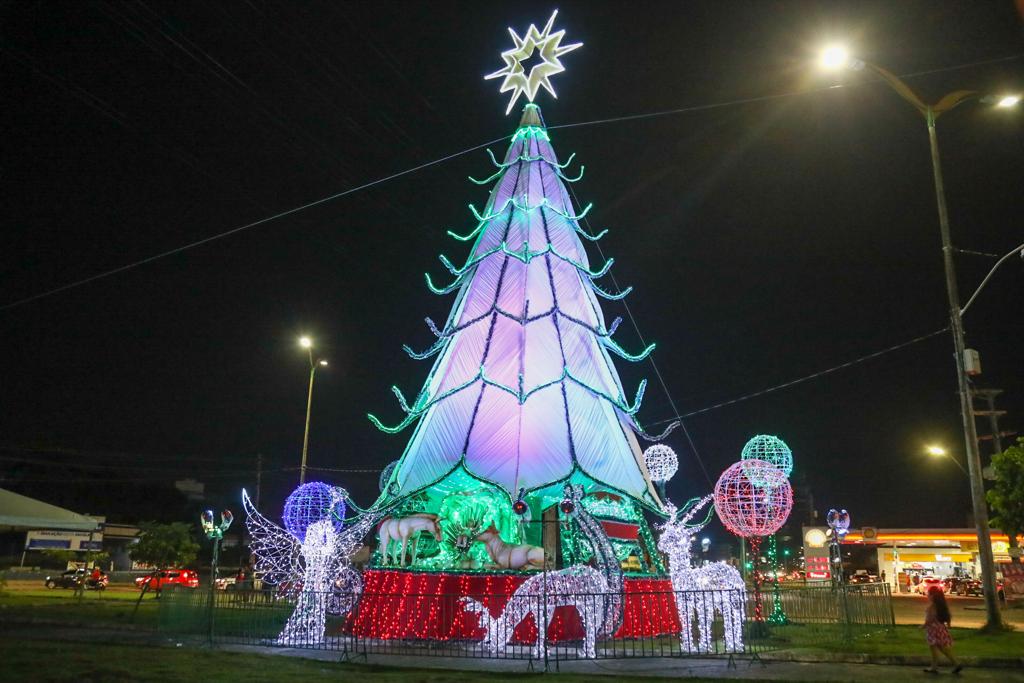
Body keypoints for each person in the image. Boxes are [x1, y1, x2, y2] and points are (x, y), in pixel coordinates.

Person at [923, 585, 961, 674]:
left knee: (933, 649)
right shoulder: (941, 605)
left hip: (933, 630)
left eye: (928, 594)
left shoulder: (932, 606)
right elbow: (948, 617)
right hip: (940, 628)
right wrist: (948, 625)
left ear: (932, 596)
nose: (927, 595)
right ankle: (956, 663)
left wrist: (924, 625)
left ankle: (934, 667)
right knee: (944, 649)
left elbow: (930, 619)